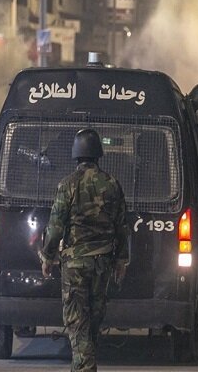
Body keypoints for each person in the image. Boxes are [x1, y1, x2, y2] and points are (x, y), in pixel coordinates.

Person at [39, 128, 130, 372]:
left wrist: (47, 257)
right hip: (103, 264)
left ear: (76, 153)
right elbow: (122, 227)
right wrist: (121, 261)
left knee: (77, 322)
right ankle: (83, 364)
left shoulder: (67, 185)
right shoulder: (112, 184)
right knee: (92, 321)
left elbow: (55, 228)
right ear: (98, 153)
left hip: (75, 266)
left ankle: (83, 368)